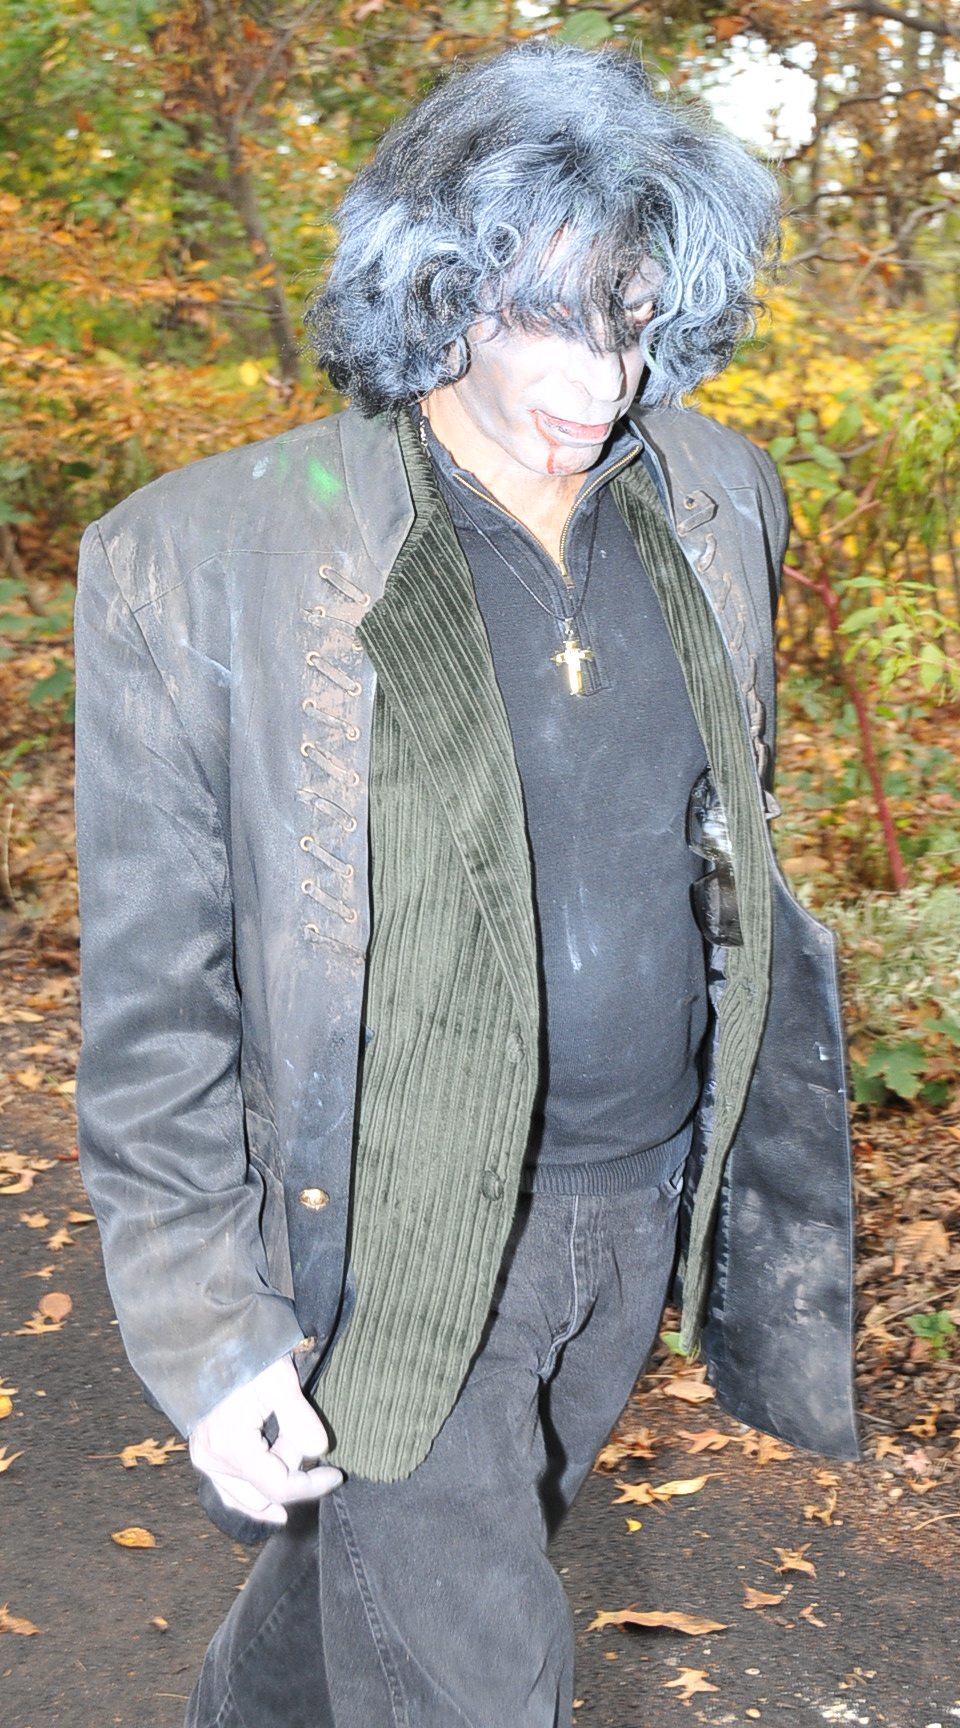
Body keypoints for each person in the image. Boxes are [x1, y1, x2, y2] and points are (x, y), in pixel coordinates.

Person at [74, 42, 858, 1728]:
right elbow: (155, 1009)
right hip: (393, 1238)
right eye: (547, 319)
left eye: (633, 320)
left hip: (632, 1201)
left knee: (367, 1593)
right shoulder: (198, 558)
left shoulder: (718, 497)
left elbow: (722, 844)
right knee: (482, 1674)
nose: (602, 377)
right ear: (437, 293)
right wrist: (213, 1332)